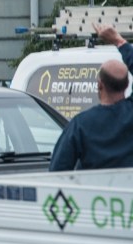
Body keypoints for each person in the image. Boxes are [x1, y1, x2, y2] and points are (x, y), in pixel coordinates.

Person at [49, 24, 133, 171]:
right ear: (127, 86)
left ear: (99, 85)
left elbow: (58, 172)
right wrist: (119, 42)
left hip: (95, 193)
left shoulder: (81, 125)